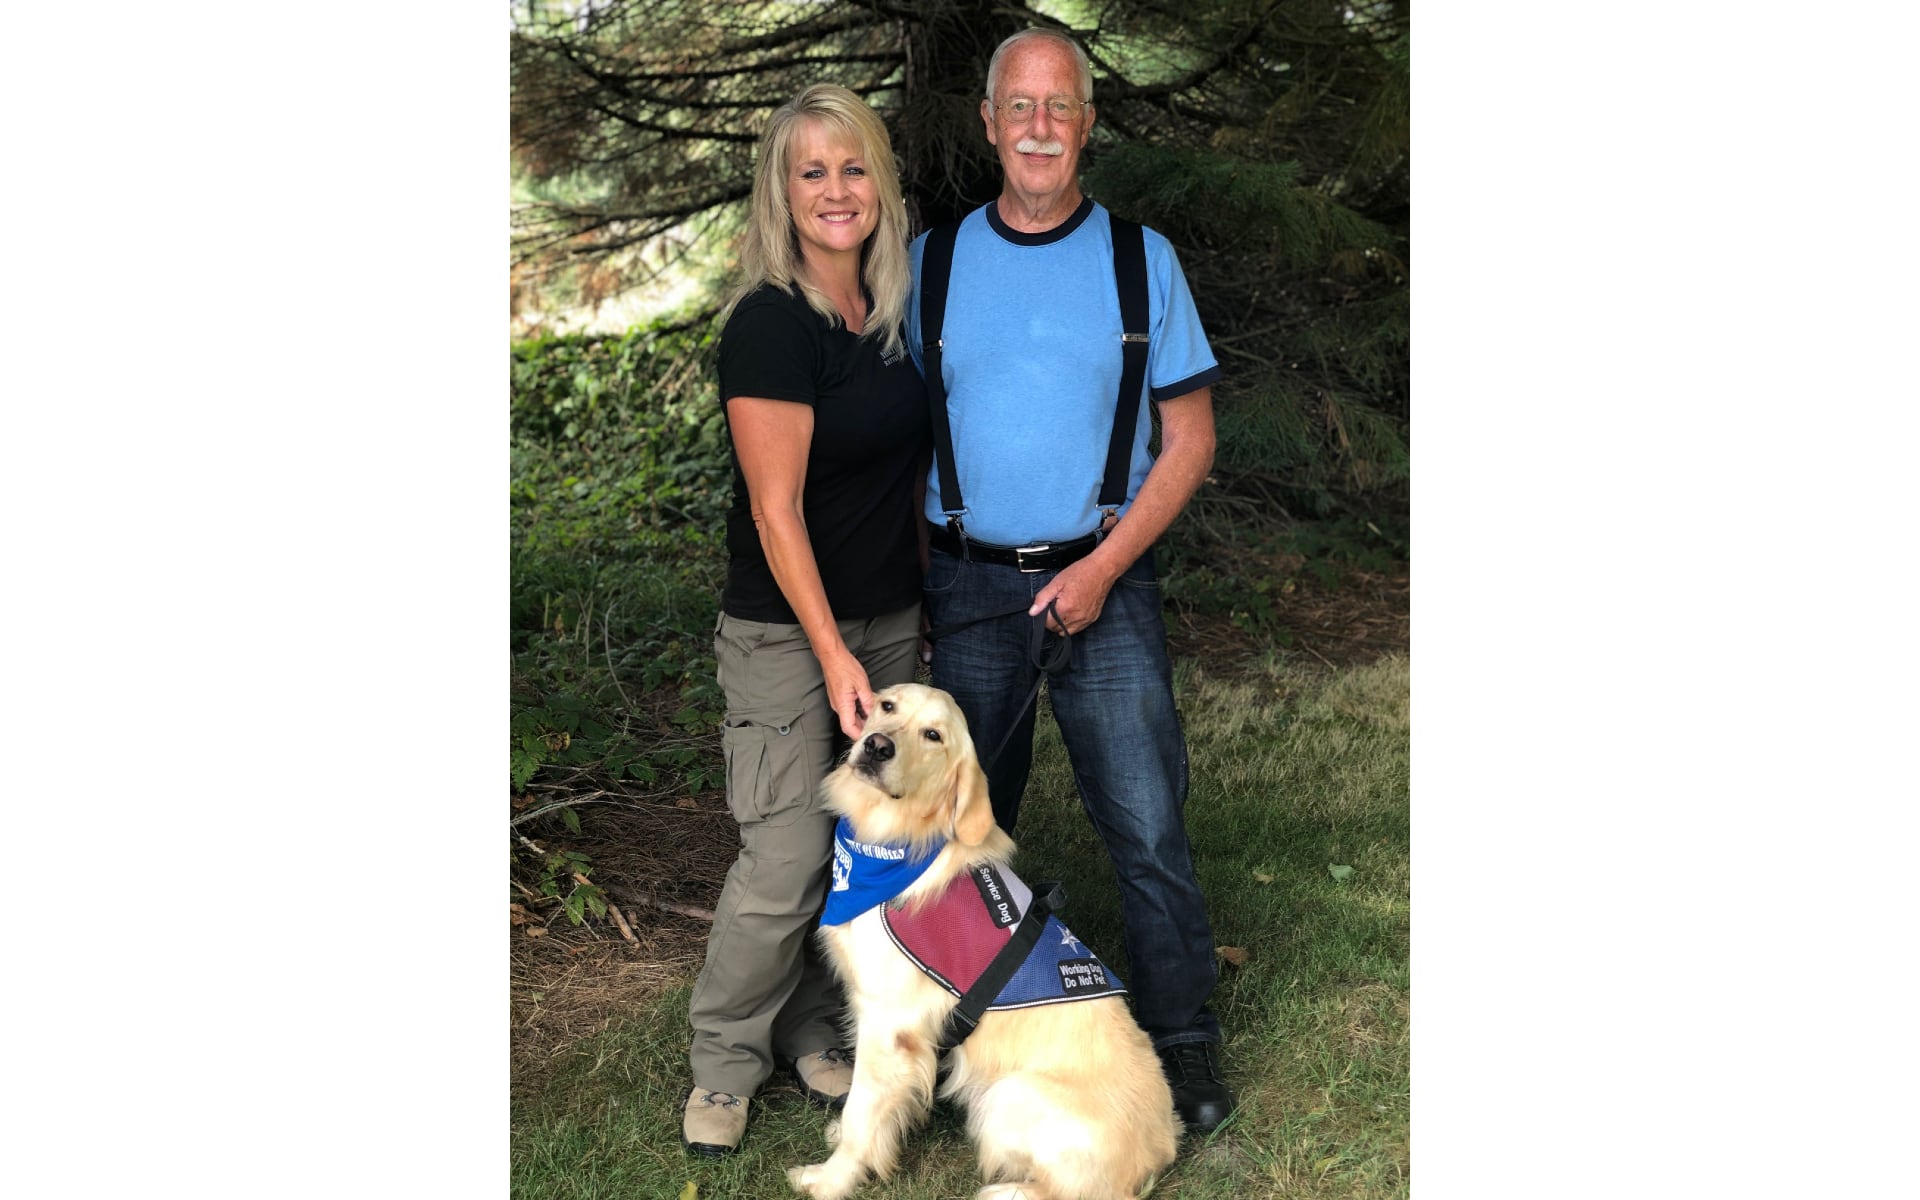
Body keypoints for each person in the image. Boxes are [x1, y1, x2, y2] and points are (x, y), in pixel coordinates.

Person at [906, 28, 1236, 1134]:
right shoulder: (932, 262)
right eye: (1019, 106)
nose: (1040, 126)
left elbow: (1188, 438)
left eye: (1061, 106)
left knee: (1146, 826)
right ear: (990, 124)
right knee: (954, 832)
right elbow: (891, 431)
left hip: (1108, 584)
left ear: (1086, 126)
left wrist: (1102, 568)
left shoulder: (1145, 260)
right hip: (971, 592)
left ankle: (1183, 1041)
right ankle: (964, 1037)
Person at [682, 83, 930, 1158]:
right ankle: (724, 1059)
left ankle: (811, 1023)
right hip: (789, 635)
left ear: (881, 181)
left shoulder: (891, 312)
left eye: (854, 166)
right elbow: (777, 511)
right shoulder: (772, 326)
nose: (837, 190)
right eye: (812, 171)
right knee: (784, 859)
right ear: (781, 193)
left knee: (867, 846)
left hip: (890, 617)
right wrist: (831, 653)